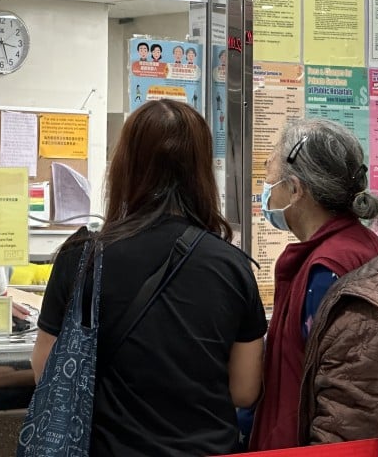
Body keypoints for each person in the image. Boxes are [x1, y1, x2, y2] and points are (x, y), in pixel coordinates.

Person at [32, 99, 266, 457]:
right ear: (202, 172)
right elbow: (245, 390)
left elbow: (47, 373)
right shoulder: (232, 266)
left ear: (125, 167)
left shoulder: (83, 257)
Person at [250, 119, 378, 450]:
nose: (265, 191)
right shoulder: (363, 246)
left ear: (296, 190)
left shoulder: (328, 269)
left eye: (271, 181)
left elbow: (349, 411)